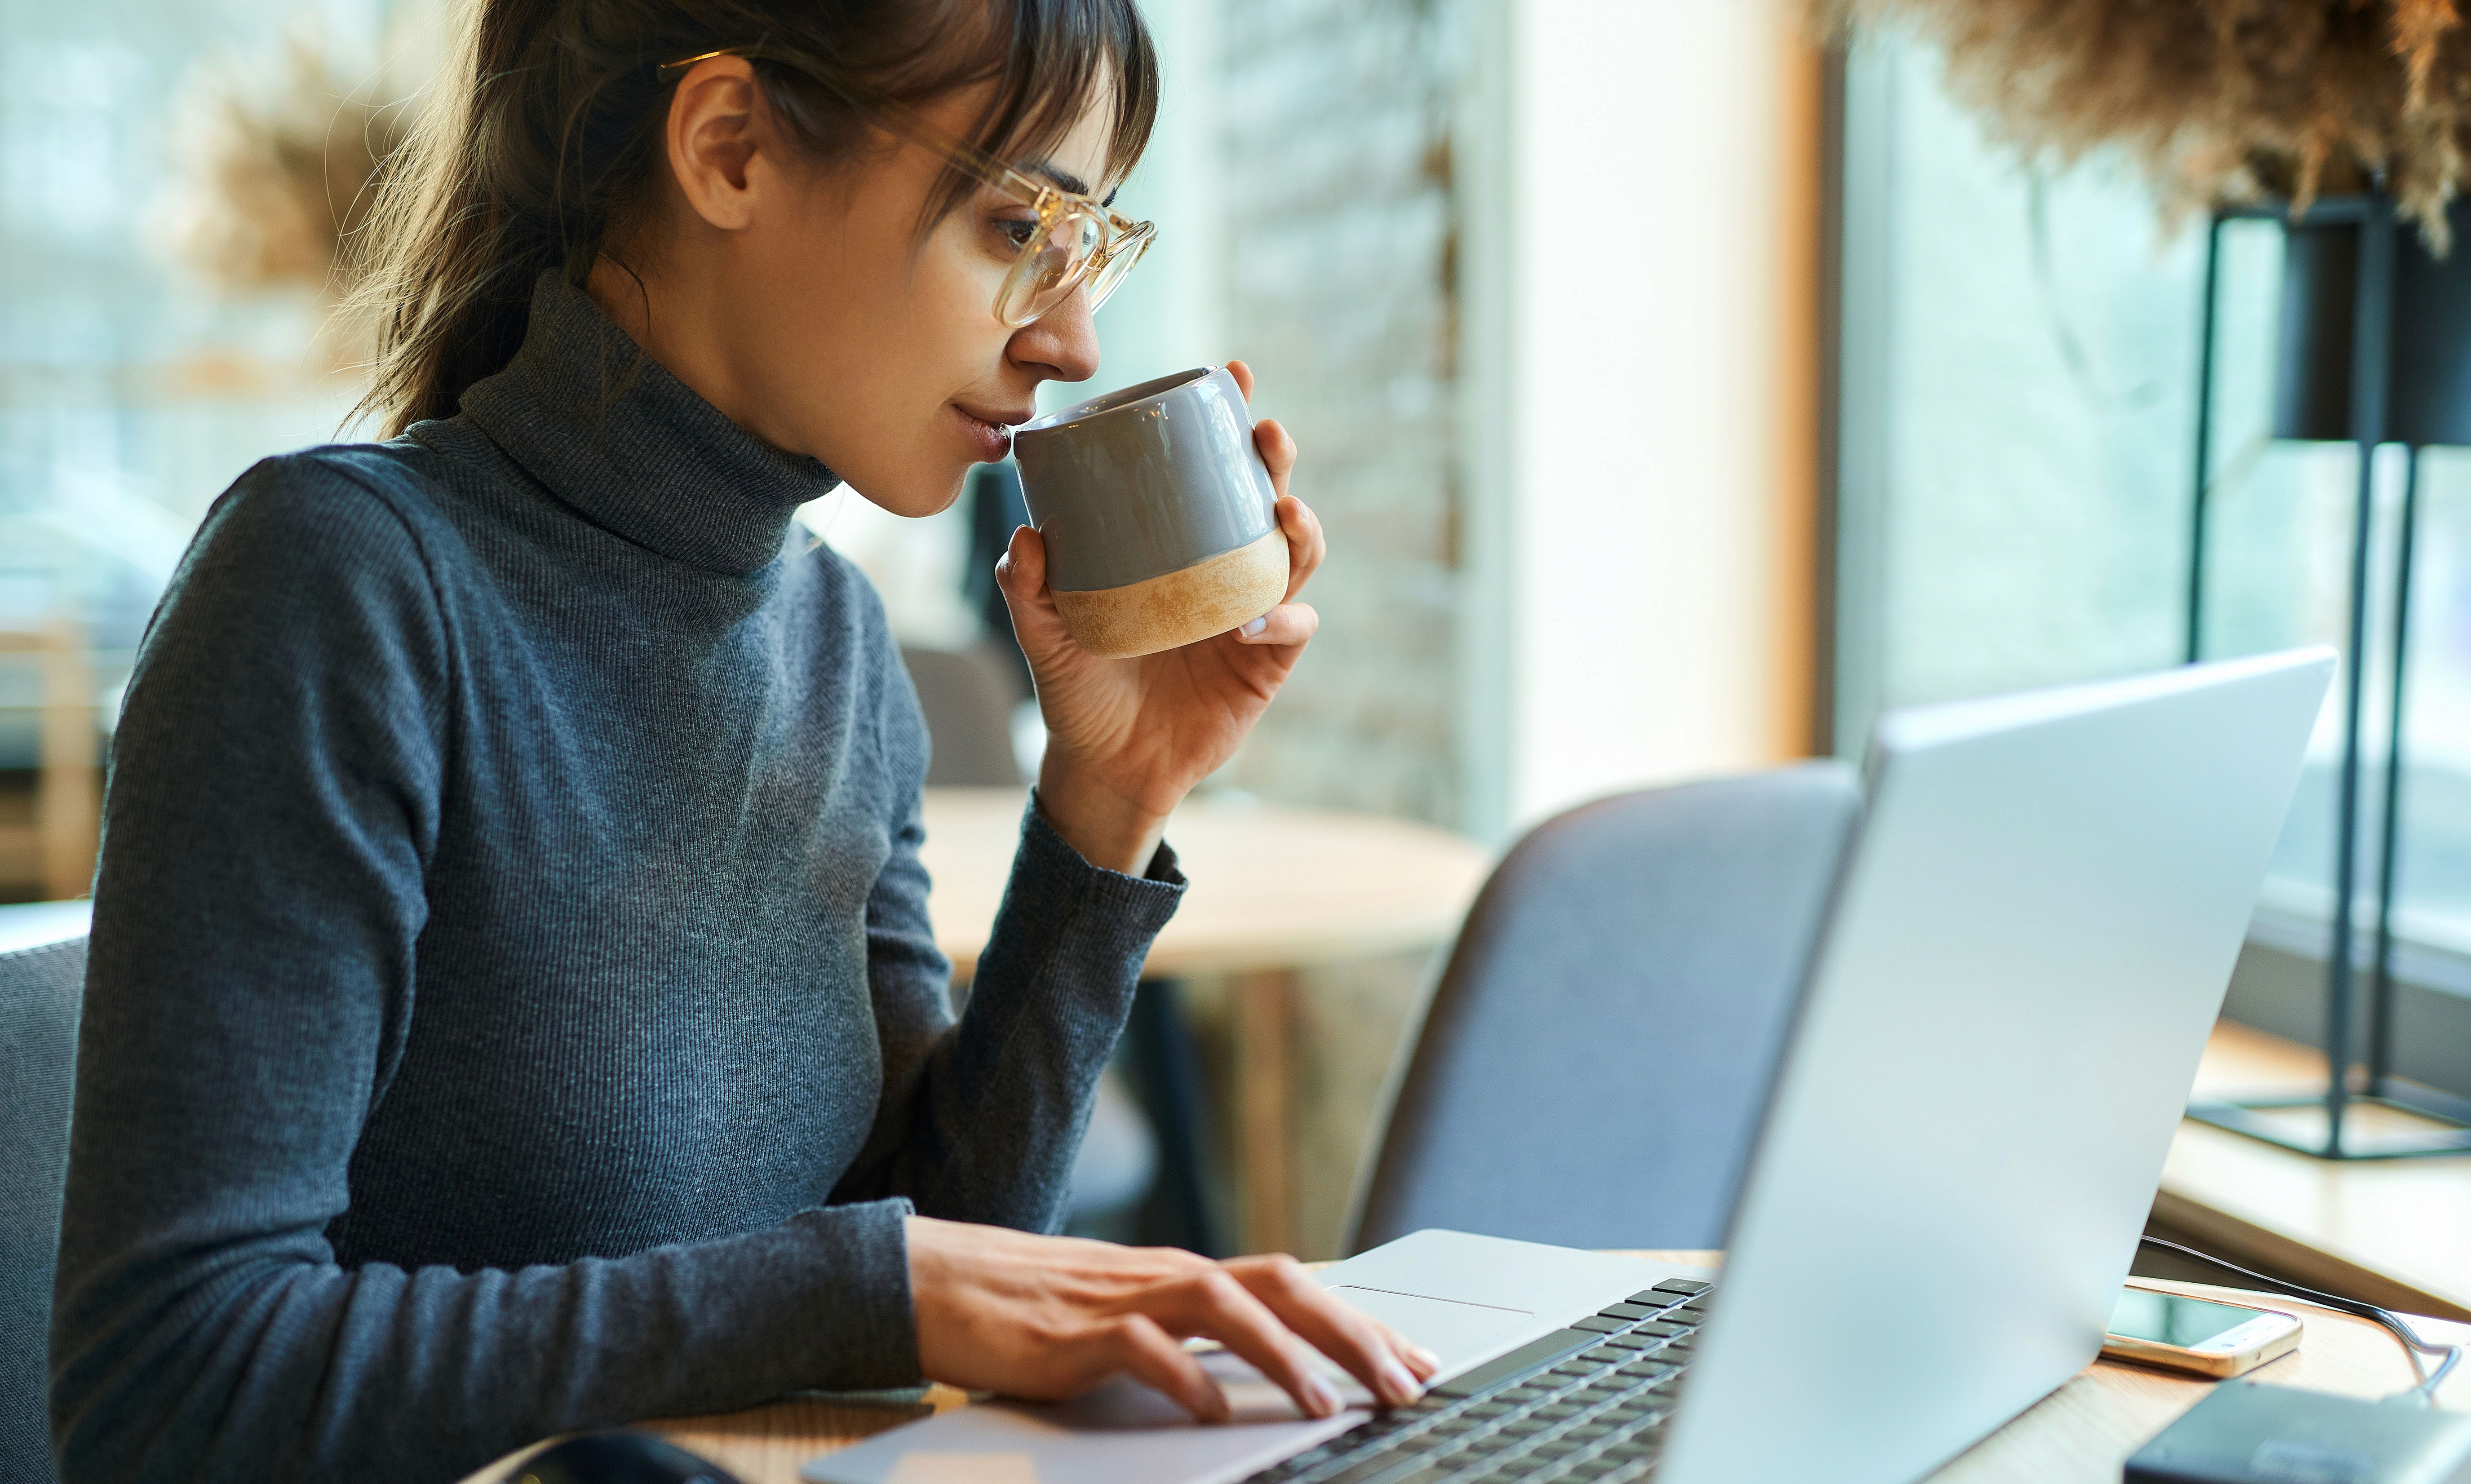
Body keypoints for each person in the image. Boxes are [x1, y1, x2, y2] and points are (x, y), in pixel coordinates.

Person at [47, 1, 1437, 1478]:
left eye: (1089, 244)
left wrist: (1108, 806)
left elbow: (933, 1267)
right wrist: (865, 1293)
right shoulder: (340, 585)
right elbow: (173, 1387)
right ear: (728, 149)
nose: (1072, 339)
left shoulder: (834, 640)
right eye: (1016, 223)